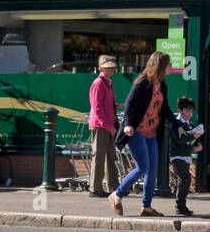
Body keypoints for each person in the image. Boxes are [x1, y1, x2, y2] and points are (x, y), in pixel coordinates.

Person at [109, 51, 187, 217]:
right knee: (143, 167)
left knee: (152, 170)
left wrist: (178, 125)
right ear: (160, 65)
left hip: (151, 132)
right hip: (136, 130)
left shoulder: (162, 84)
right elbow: (129, 103)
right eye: (169, 64)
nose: (171, 67)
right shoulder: (143, 82)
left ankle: (146, 207)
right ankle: (117, 194)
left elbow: (165, 108)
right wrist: (128, 124)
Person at [87, 55, 121, 197]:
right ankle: (95, 189)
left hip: (108, 125)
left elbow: (104, 105)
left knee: (111, 156)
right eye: (108, 67)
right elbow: (97, 108)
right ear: (100, 68)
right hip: (100, 126)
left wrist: (115, 106)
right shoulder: (98, 83)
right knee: (99, 156)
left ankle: (114, 188)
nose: (112, 69)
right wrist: (108, 126)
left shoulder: (108, 82)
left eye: (112, 67)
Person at [169, 96, 203, 216]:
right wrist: (193, 136)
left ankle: (181, 204)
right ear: (180, 110)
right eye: (186, 111)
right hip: (177, 155)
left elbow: (193, 141)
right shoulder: (176, 124)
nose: (189, 114)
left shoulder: (191, 125)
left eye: (191, 111)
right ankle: (180, 205)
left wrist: (198, 144)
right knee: (185, 178)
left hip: (186, 156)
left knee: (184, 180)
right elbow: (179, 140)